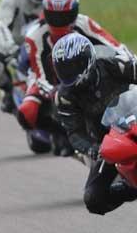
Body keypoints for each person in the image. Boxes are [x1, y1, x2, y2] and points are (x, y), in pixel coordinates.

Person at [18, 0, 127, 139]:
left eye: (65, 16)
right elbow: (40, 75)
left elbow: (114, 46)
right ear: (45, 14)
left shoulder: (85, 23)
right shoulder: (34, 36)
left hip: (85, 70)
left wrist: (128, 61)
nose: (59, 21)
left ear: (74, 13)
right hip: (47, 78)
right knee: (27, 111)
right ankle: (64, 135)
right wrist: (59, 91)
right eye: (54, 16)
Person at [53, 33, 137, 215]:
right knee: (94, 199)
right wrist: (92, 147)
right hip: (109, 143)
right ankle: (131, 189)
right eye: (64, 69)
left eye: (74, 67)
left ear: (87, 60)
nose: (69, 73)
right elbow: (74, 132)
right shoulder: (64, 97)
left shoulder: (115, 64)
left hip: (134, 119)